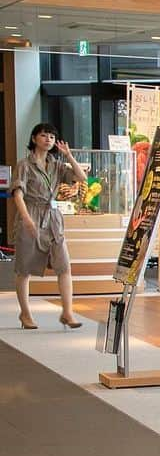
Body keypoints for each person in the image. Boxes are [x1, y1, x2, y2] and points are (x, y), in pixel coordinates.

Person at [11, 124, 87, 331]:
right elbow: (17, 194)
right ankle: (25, 313)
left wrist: (69, 156)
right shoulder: (24, 165)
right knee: (24, 269)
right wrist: (26, 219)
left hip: (53, 218)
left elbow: (81, 177)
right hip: (31, 213)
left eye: (52, 136)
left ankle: (67, 312)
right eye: (44, 135)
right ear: (34, 138)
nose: (48, 139)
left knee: (64, 266)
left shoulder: (56, 165)